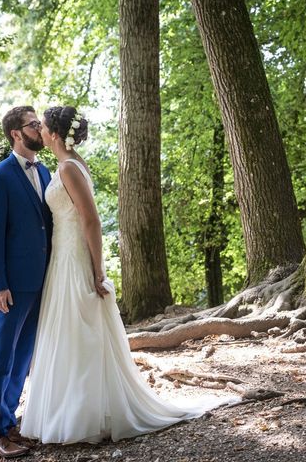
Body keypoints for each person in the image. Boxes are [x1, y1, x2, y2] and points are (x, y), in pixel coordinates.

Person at [20, 106, 233, 444]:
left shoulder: (70, 170)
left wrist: (98, 268)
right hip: (61, 257)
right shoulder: (64, 166)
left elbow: (91, 221)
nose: (40, 131)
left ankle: (84, 414)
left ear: (56, 135)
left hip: (75, 257)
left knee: (80, 331)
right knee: (67, 331)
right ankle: (71, 408)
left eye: (43, 127)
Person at [0, 106, 53, 458]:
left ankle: (9, 424)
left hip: (43, 280)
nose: (39, 128)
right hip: (11, 284)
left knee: (23, 357)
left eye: (38, 123)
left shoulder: (45, 171)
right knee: (1, 358)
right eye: (33, 124)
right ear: (16, 133)